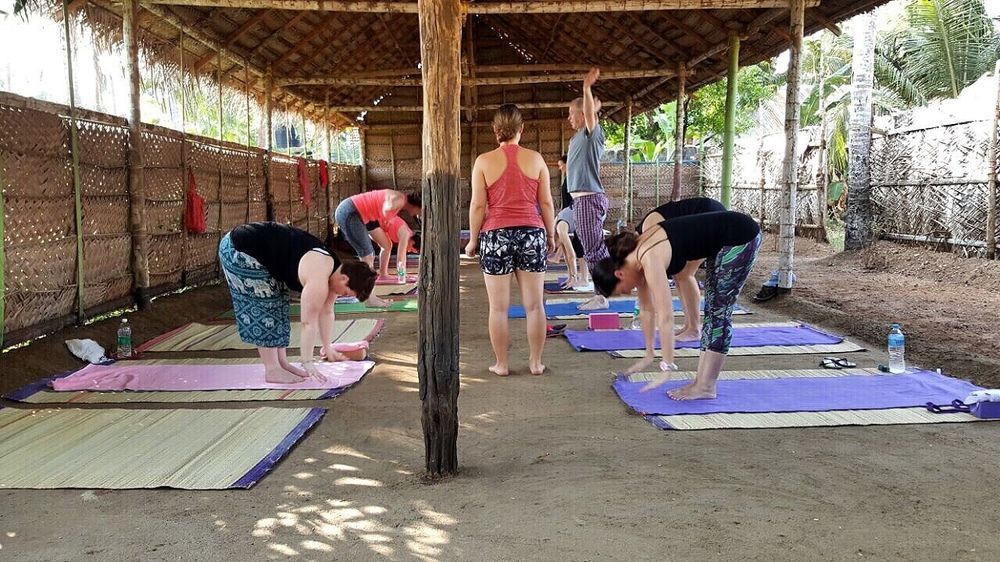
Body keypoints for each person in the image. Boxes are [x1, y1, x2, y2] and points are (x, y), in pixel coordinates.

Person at [592, 210, 762, 400]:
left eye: (623, 290)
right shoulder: (635, 256)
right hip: (725, 238)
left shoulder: (648, 255)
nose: (629, 291)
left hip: (740, 236)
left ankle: (705, 386)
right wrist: (649, 355)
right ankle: (702, 382)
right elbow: (647, 311)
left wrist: (667, 366)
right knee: (713, 310)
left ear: (619, 274)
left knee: (718, 312)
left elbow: (666, 317)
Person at [219, 222, 378, 384]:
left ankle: (282, 364)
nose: (340, 295)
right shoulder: (319, 276)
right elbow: (308, 322)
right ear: (345, 279)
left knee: (279, 305)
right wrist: (308, 361)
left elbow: (327, 312)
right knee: (265, 305)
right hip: (239, 247)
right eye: (345, 292)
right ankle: (272, 369)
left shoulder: (335, 271)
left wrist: (327, 347)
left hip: (260, 251)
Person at [466, 104, 556, 376]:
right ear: (522, 129)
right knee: (534, 305)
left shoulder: (483, 161)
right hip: (532, 233)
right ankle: (536, 363)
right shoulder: (536, 159)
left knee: (498, 308)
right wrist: (550, 234)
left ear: (495, 131)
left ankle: (502, 364)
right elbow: (547, 202)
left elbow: (478, 206)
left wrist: (472, 240)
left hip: (495, 236)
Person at [635, 197, 727, 339]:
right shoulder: (646, 235)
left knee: (685, 274)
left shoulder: (649, 229)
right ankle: (689, 325)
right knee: (680, 274)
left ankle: (694, 329)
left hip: (709, 215)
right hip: (703, 217)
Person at [566, 68, 611, 310]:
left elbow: (591, 119)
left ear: (584, 114)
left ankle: (602, 296)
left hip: (589, 199)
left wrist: (586, 89)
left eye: (572, 114)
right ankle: (600, 293)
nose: (569, 118)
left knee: (594, 249)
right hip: (582, 201)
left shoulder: (590, 135)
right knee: (592, 247)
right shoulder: (577, 139)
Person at [334, 188, 422, 306]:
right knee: (367, 256)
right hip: (350, 212)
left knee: (369, 255)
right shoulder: (400, 199)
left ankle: (369, 295)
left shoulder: (400, 199)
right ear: (416, 205)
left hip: (354, 213)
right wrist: (388, 219)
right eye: (419, 211)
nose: (418, 214)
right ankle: (369, 298)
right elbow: (386, 207)